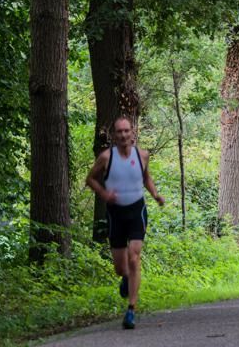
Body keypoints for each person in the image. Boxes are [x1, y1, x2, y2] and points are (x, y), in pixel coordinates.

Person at [86, 117, 165, 329]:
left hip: (137, 210)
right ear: (114, 135)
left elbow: (146, 177)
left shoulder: (142, 156)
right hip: (115, 213)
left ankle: (131, 309)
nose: (123, 135)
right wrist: (103, 193)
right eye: (119, 132)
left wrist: (156, 195)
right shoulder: (106, 157)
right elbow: (90, 179)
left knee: (134, 256)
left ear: (132, 133)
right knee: (120, 268)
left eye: (126, 131)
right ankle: (127, 278)